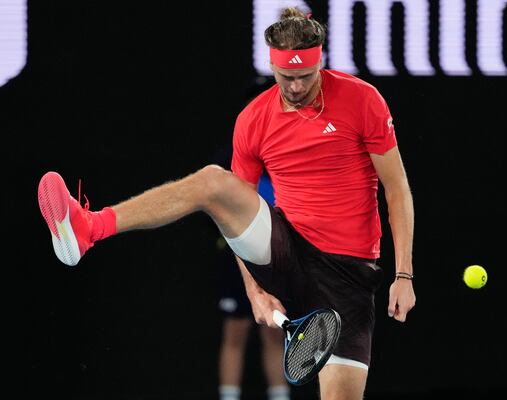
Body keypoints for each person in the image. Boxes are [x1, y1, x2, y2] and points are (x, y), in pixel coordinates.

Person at [37, 7, 416, 400]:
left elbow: (396, 189)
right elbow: (235, 218)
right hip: (284, 249)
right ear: (272, 65)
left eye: (306, 76)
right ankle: (89, 227)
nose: (298, 87)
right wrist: (254, 289)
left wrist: (403, 275)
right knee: (214, 183)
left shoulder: (363, 100)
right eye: (288, 77)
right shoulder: (253, 120)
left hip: (349, 274)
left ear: (321, 63)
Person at [216, 172, 290, 400]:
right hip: (236, 263)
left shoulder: (283, 160)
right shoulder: (229, 158)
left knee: (274, 334)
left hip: (273, 261)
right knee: (235, 333)